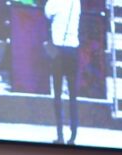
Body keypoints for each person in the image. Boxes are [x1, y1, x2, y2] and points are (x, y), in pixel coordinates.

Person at [44, 0, 82, 144]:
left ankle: (60, 135)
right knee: (73, 96)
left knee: (58, 94)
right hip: (73, 51)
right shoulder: (76, 2)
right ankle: (73, 136)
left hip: (58, 50)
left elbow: (47, 12)